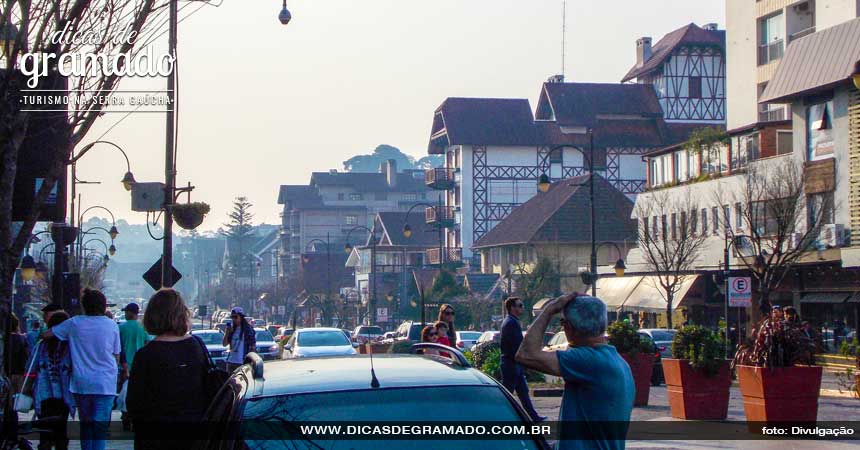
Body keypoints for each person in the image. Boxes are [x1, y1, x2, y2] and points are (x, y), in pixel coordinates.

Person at [517, 294, 635, 449]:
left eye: (563, 322)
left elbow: (526, 354)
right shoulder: (619, 363)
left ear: (569, 327)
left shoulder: (589, 360)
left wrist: (548, 311)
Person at [127, 289, 209, 450]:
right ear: (183, 315)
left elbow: (134, 404)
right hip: (194, 434)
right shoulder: (197, 347)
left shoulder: (145, 355)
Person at [43, 288, 121, 450]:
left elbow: (48, 334)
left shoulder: (75, 323)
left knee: (86, 426)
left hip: (82, 382)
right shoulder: (111, 325)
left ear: (84, 306)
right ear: (103, 305)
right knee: (99, 428)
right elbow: (116, 354)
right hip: (105, 383)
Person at [32, 311, 75, 450]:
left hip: (44, 392)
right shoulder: (69, 346)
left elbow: (31, 366)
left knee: (44, 430)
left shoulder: (41, 345)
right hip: (63, 394)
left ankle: (45, 445)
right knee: (61, 429)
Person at [500, 297, 544, 423]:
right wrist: (524, 360)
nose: (522, 308)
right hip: (511, 363)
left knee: (523, 392)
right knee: (508, 393)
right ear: (512, 308)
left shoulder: (512, 321)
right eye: (520, 305)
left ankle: (534, 417)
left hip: (514, 363)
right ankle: (501, 417)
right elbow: (516, 345)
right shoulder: (510, 323)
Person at [117, 302, 151, 431]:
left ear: (131, 313)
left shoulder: (121, 328)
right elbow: (148, 343)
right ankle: (135, 417)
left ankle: (125, 417)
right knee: (139, 394)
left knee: (123, 394)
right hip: (140, 367)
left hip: (124, 366)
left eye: (126, 311)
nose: (125, 314)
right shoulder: (143, 328)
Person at [6, 313, 30, 412]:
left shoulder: (5, 339)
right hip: (20, 372)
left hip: (8, 373)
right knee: (18, 403)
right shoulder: (22, 338)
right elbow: (26, 355)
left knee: (8, 402)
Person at [222, 307, 256, 373]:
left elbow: (253, 348)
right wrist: (227, 333)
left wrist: (249, 363)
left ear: (241, 317)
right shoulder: (232, 330)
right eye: (232, 317)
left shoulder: (248, 330)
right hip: (231, 362)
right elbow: (224, 344)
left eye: (236, 317)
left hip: (242, 363)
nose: (234, 319)